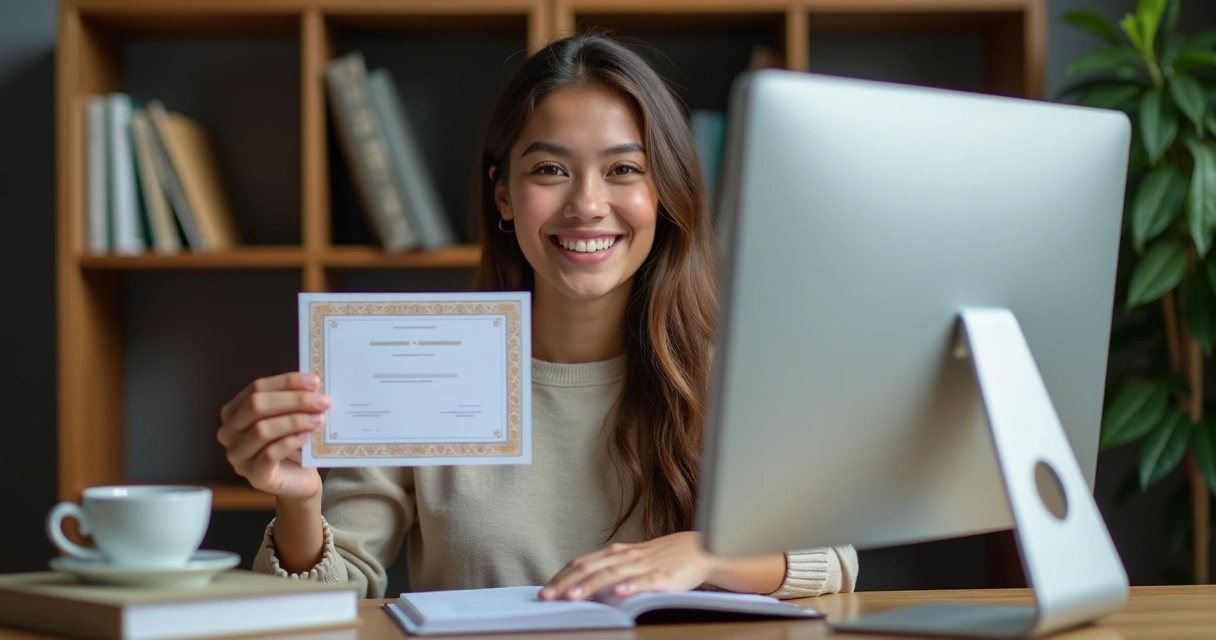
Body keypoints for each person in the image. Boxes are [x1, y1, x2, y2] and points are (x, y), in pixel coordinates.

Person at [216, 32, 858, 601]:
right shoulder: (419, 365)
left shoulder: (729, 376)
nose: (587, 203)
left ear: (662, 194)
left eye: (623, 170)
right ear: (503, 193)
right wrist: (300, 500)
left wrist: (700, 554)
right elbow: (325, 594)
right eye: (550, 169)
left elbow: (834, 559)